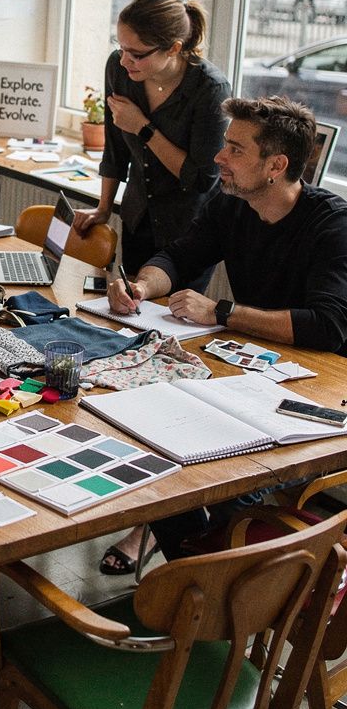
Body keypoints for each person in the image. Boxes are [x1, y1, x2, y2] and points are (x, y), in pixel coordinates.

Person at [106, 94, 347, 557]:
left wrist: (221, 312)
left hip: (319, 395)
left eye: (236, 149)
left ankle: (208, 582)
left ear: (276, 165)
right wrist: (141, 286)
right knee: (158, 440)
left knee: (208, 483)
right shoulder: (231, 202)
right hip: (258, 375)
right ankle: (200, 570)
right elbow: (179, 256)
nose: (219, 157)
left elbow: (328, 326)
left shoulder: (331, 226)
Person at [72, 0, 230, 574]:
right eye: (121, 48)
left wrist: (142, 126)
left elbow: (198, 176)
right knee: (127, 341)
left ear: (175, 49)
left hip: (190, 230)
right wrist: (103, 207)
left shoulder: (210, 91)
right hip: (139, 215)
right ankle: (122, 485)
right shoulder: (122, 66)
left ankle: (154, 520)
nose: (125, 62)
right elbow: (114, 146)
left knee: (171, 359)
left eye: (138, 54)